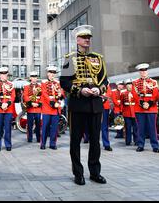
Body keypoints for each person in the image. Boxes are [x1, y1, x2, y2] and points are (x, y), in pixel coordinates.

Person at [60, 25, 108, 186]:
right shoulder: (69, 58)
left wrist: (98, 88)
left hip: (95, 104)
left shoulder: (98, 58)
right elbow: (64, 82)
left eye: (89, 37)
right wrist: (80, 91)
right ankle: (78, 173)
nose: (87, 40)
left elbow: (104, 80)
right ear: (77, 40)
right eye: (84, 37)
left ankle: (95, 172)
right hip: (78, 103)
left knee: (95, 140)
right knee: (75, 140)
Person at [132, 63, 159, 153]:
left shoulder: (154, 82)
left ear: (147, 71)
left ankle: (155, 146)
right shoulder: (135, 82)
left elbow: (156, 94)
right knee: (141, 128)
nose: (143, 72)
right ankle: (140, 145)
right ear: (139, 72)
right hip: (139, 109)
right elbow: (134, 95)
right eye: (141, 71)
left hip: (151, 108)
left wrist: (149, 103)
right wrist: (142, 103)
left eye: (145, 71)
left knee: (152, 128)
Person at [40, 66, 64, 150]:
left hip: (56, 109)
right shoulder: (43, 83)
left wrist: (61, 96)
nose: (52, 75)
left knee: (54, 127)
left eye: (54, 73)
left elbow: (62, 93)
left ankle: (53, 144)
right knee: (45, 127)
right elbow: (44, 94)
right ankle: (43, 143)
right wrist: (52, 103)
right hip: (47, 108)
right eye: (50, 73)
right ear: (47, 73)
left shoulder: (58, 83)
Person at [0, 67, 15, 152]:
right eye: (2, 74)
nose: (4, 76)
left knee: (8, 128)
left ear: (7, 75)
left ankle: (8, 144)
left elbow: (13, 96)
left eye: (5, 74)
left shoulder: (11, 84)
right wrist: (1, 104)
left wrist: (7, 104)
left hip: (8, 110)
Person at [23, 71, 42, 143]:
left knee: (38, 124)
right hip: (30, 108)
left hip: (37, 108)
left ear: (37, 78)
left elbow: (42, 96)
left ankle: (38, 138)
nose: (34, 79)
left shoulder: (40, 86)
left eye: (35, 77)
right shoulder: (27, 87)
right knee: (30, 124)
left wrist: (39, 104)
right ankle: (29, 138)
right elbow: (25, 96)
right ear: (30, 78)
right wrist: (31, 103)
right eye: (32, 77)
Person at [120, 79, 138, 146]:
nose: (129, 86)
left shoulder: (135, 93)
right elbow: (121, 103)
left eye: (130, 84)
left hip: (135, 111)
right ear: (126, 86)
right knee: (128, 127)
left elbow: (138, 102)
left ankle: (136, 141)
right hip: (127, 112)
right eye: (127, 85)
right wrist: (122, 111)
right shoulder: (123, 93)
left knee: (136, 128)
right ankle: (128, 141)